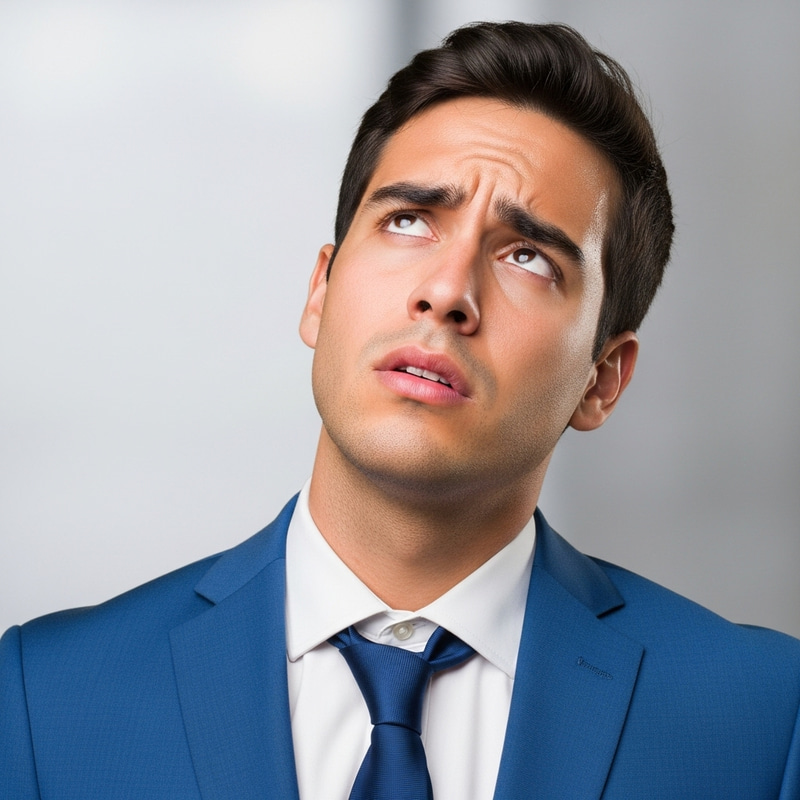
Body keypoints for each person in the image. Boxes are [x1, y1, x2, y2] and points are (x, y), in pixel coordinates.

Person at [1, 20, 798, 800]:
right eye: (409, 219)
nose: (448, 291)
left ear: (601, 379)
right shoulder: (45, 701)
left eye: (528, 256)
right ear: (320, 291)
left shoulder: (762, 723)